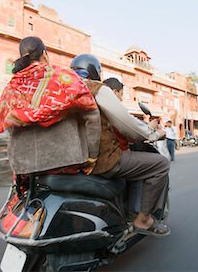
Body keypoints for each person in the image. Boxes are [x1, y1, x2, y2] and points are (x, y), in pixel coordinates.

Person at [71, 54, 170, 237]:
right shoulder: (97, 89)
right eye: (120, 93)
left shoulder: (65, 93)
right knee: (161, 164)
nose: (120, 96)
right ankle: (143, 219)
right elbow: (125, 123)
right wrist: (152, 134)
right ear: (95, 72)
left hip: (75, 160)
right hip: (103, 160)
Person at [0, 37, 101, 176]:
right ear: (44, 54)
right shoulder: (64, 77)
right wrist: (92, 157)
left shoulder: (10, 89)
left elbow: (6, 125)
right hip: (67, 162)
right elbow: (92, 115)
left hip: (24, 168)